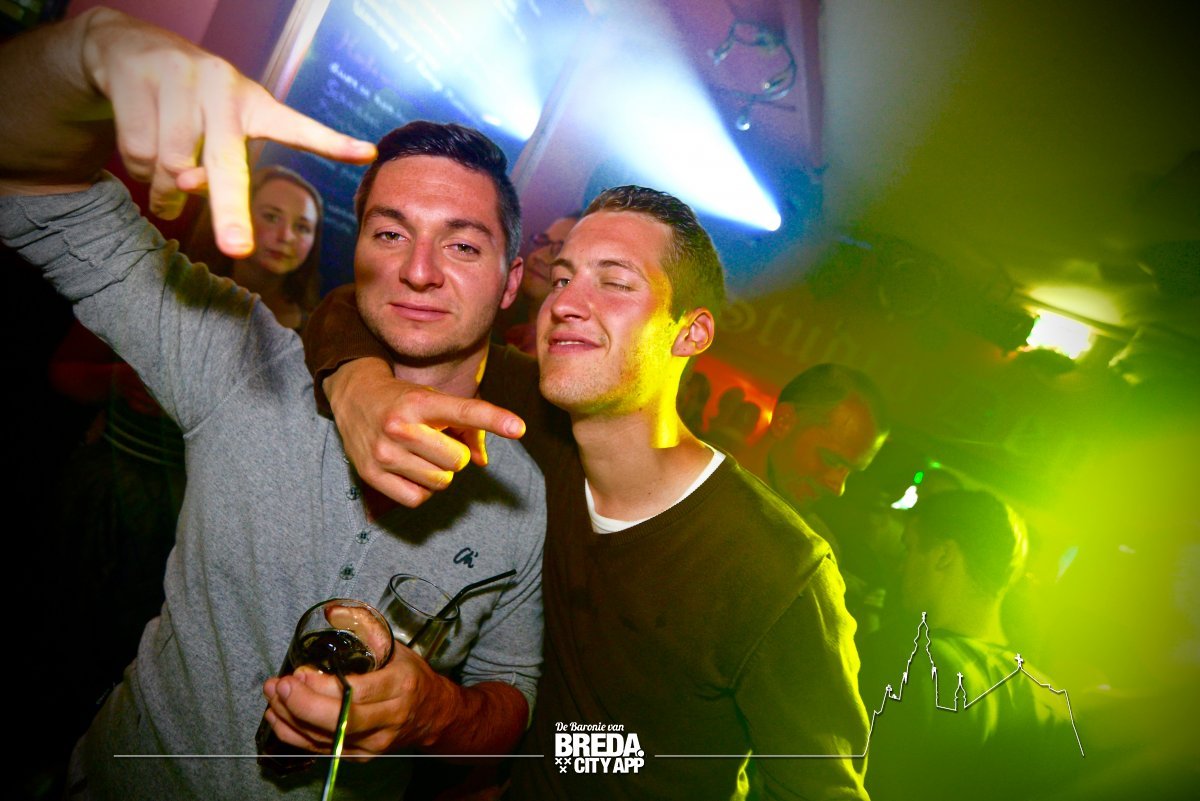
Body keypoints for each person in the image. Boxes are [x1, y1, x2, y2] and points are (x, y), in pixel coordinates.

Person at [0, 9, 545, 800]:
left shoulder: (523, 497)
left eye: (462, 244)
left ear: (510, 279)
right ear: (356, 250)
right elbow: (28, 184)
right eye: (390, 233)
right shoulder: (241, 360)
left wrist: (437, 710)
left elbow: (512, 694)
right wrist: (88, 48)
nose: (419, 270)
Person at [303, 188, 872, 798]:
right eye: (562, 279)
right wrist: (362, 388)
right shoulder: (529, 420)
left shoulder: (777, 568)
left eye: (616, 283)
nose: (566, 304)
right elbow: (353, 306)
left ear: (690, 332)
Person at [46, 165, 327, 718]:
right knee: (63, 633)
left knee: (142, 659)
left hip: (202, 523)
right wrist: (116, 381)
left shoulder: (315, 338)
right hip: (110, 494)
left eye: (302, 227)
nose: (284, 235)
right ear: (239, 216)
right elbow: (63, 371)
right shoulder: (168, 287)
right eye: (271, 216)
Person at [857, 490, 1083, 801]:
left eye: (910, 548)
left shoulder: (907, 664)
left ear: (944, 555)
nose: (901, 567)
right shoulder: (1052, 702)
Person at [500, 211, 580, 354]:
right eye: (542, 241)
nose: (539, 256)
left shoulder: (563, 354)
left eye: (560, 251)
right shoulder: (505, 331)